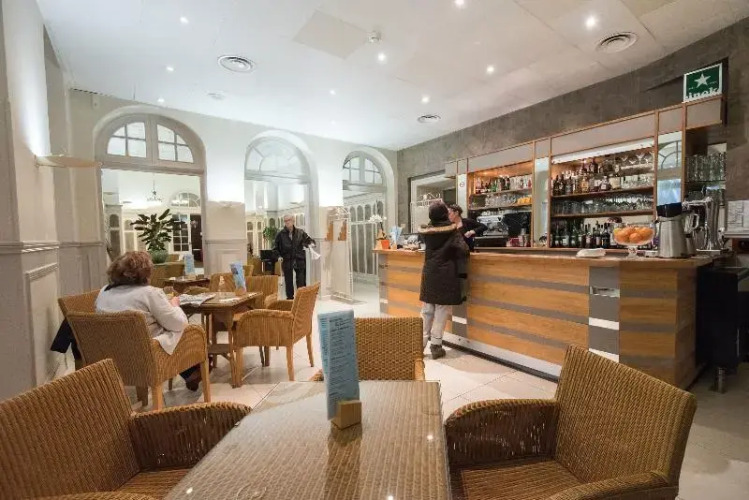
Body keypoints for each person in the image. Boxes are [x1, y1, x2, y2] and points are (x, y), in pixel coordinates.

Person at [95, 251, 203, 391]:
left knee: (159, 325)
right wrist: (174, 305)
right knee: (183, 330)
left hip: (108, 355)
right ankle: (194, 367)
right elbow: (179, 324)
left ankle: (191, 371)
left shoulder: (104, 291)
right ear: (146, 271)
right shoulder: (149, 293)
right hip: (145, 356)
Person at [420, 201, 469, 359]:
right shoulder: (452, 230)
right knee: (441, 310)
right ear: (444, 214)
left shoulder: (426, 231)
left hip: (429, 273)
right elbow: (463, 250)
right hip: (446, 274)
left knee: (427, 310)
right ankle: (436, 346)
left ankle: (419, 344)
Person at [273, 215, 315, 300]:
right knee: (288, 282)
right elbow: (275, 249)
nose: (287, 222)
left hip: (299, 260)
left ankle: (301, 299)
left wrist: (310, 244)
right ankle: (290, 299)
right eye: (285, 221)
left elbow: (309, 241)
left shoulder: (300, 232)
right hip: (287, 260)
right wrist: (279, 256)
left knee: (301, 281)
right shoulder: (280, 235)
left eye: (289, 220)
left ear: (293, 221)